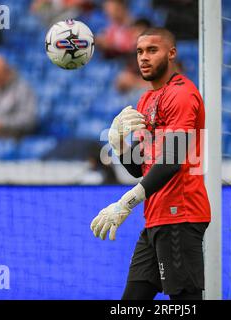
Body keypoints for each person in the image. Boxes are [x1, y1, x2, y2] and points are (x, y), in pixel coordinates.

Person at [90, 28, 211, 300]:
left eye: (152, 50)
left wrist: (125, 203)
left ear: (171, 53)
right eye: (139, 51)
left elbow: (172, 161)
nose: (143, 57)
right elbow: (139, 167)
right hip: (157, 218)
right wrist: (118, 143)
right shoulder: (146, 100)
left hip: (180, 215)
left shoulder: (182, 94)